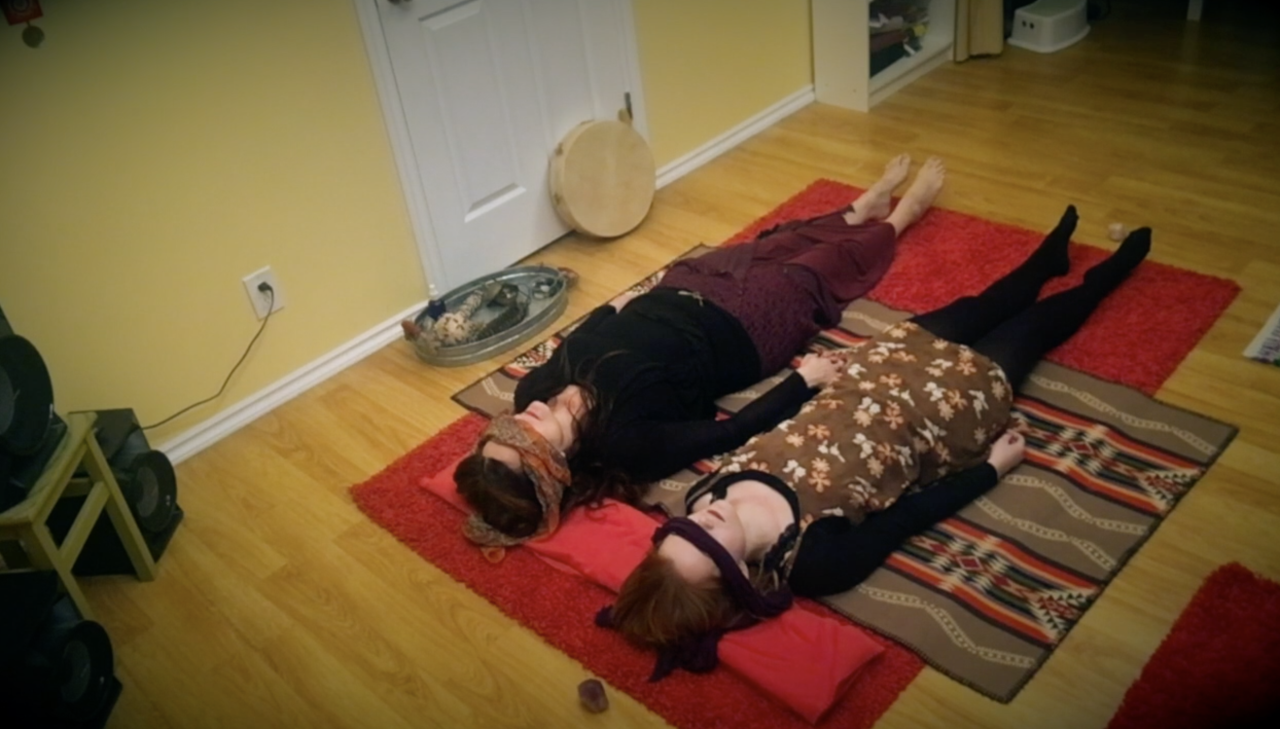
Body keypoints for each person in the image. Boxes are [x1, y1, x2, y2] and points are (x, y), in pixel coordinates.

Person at [602, 206, 1153, 678]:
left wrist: (805, 382)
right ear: (737, 576)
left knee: (978, 307)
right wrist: (991, 469)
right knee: (1029, 331)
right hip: (943, 413)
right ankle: (1104, 279)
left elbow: (765, 430)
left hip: (872, 377)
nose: (703, 520)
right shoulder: (814, 562)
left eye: (683, 530)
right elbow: (906, 518)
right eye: (707, 542)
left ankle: (1044, 262)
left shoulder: (704, 495)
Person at [456, 156, 949, 551]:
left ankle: (861, 209)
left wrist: (612, 309)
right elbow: (727, 433)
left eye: (504, 428)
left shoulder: (532, 390)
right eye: (523, 439)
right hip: (740, 333)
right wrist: (805, 381)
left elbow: (574, 342)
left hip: (679, 291)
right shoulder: (626, 445)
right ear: (552, 467)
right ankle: (901, 218)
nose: (521, 418)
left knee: (775, 245)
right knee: (817, 267)